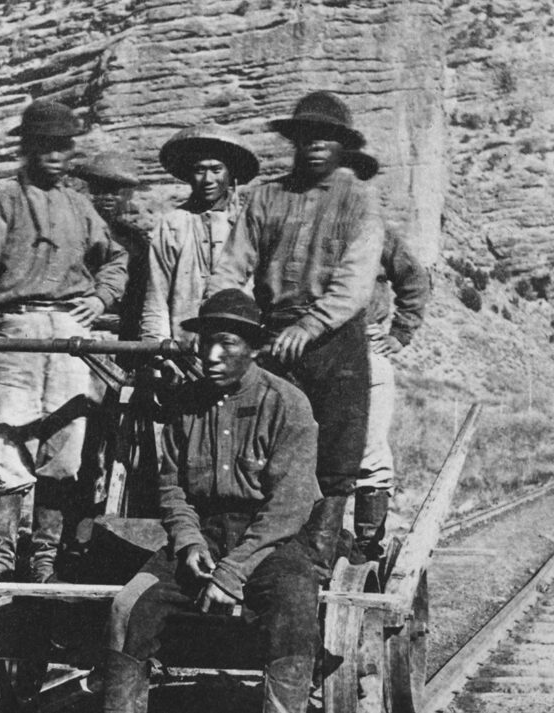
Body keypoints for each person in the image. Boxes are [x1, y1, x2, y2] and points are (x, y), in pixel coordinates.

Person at [103, 289, 323, 713]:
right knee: (127, 608)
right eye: (206, 343)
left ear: (254, 348)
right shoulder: (185, 404)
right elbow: (172, 488)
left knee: (295, 610)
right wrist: (188, 542)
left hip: (269, 544)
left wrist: (233, 572)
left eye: (228, 344)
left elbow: (288, 508)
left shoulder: (286, 404)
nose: (213, 355)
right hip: (202, 536)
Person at [207, 90, 384, 581]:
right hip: (272, 333)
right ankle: (260, 541)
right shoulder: (267, 196)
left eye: (327, 137)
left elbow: (356, 278)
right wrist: (224, 321)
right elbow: (232, 266)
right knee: (260, 436)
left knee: (337, 444)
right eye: (306, 137)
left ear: (343, 145)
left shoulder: (359, 199)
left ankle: (321, 547)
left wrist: (311, 325)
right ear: (294, 141)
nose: (316, 146)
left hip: (334, 338)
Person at [0, 99, 128, 583]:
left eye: (64, 147)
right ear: (29, 148)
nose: (56, 156)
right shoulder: (0, 199)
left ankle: (45, 559)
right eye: (46, 146)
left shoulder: (79, 204)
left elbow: (115, 259)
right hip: (19, 327)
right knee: (7, 437)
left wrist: (100, 298)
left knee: (67, 445)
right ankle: (1, 557)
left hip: (72, 331)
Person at [353, 227, 431, 562]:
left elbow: (414, 277)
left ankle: (367, 544)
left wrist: (400, 332)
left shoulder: (376, 232)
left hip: (364, 343)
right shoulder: (302, 222)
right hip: (310, 345)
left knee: (370, 452)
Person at [140, 125, 259, 343]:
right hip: (183, 347)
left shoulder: (249, 222)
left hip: (236, 344)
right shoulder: (173, 224)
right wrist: (156, 349)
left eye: (216, 169)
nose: (207, 179)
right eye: (199, 170)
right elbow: (156, 294)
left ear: (230, 172)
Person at [70, 152, 149, 342]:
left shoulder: (135, 239)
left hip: (121, 329)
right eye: (99, 190)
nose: (107, 197)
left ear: (128, 196)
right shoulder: (70, 231)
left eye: (115, 191)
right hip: (77, 321)